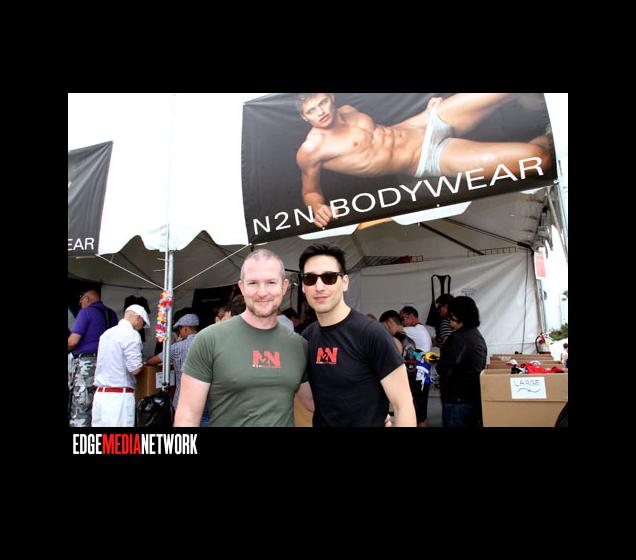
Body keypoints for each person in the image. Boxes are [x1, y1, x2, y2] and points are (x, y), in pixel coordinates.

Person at [296, 93, 553, 228]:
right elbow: (310, 192)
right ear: (305, 118)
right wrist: (318, 208)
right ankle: (551, 137)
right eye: (312, 111)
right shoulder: (312, 149)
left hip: (425, 122)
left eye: (322, 102)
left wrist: (425, 115)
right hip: (428, 156)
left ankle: (549, 112)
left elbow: (383, 135)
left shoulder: (347, 111)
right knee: (538, 160)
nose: (321, 112)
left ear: (331, 97)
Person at [174, 249, 311, 427]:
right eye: (253, 283)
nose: (262, 292)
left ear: (284, 286)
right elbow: (187, 416)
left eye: (271, 282)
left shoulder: (298, 345)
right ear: (242, 287)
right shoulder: (209, 339)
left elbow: (314, 402)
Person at [299, 243, 416, 427]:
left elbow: (404, 405)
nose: (319, 286)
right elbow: (311, 401)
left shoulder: (371, 334)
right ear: (303, 287)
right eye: (310, 278)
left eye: (329, 277)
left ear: (345, 282)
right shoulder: (307, 337)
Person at [91, 304, 150, 427]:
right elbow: (135, 369)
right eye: (143, 323)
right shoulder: (131, 334)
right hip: (118, 398)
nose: (141, 327)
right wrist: (142, 365)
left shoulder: (106, 333)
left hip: (100, 396)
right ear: (138, 318)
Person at [67, 289, 118, 427]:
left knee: (81, 405)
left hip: (87, 364)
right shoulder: (112, 314)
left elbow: (72, 341)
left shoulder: (86, 312)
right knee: (99, 404)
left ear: (87, 299)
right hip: (108, 363)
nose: (81, 305)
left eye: (81, 302)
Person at [436, 296, 487, 428]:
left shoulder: (457, 338)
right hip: (472, 397)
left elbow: (445, 368)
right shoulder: (476, 335)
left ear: (457, 315)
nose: (448, 318)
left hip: (457, 400)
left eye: (451, 314)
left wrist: (436, 363)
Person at [379, 310, 428, 427]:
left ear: (389, 323)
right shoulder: (410, 340)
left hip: (402, 389)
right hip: (416, 384)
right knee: (418, 418)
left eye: (383, 326)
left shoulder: (394, 340)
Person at [146, 313, 200, 414]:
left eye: (180, 329)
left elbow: (154, 360)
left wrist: (147, 361)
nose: (179, 333)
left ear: (185, 329)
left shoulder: (177, 347)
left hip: (183, 398)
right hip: (204, 398)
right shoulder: (208, 343)